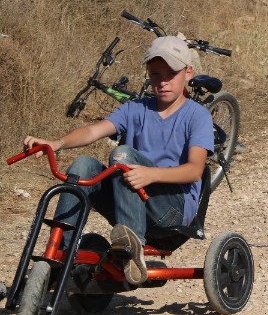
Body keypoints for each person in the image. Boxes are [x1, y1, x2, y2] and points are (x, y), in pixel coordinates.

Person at [22, 36, 214, 286]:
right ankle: (62, 255)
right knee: (83, 165)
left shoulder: (196, 116)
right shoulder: (136, 109)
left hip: (170, 210)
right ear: (148, 74)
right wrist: (55, 144)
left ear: (188, 73)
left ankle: (134, 250)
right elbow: (93, 131)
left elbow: (194, 171)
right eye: (156, 74)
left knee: (122, 154)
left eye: (172, 74)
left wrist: (151, 174)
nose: (163, 82)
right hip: (133, 201)